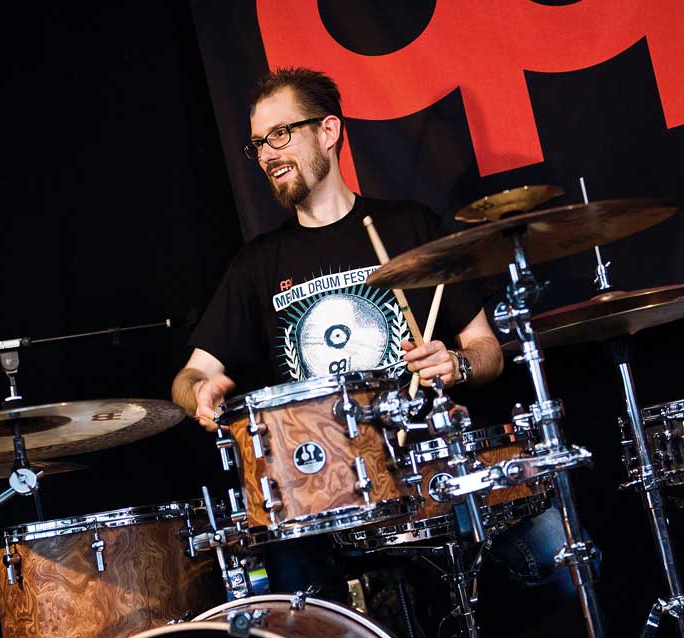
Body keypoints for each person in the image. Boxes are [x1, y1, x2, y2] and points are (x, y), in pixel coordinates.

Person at [172, 67, 585, 632]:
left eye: (280, 135)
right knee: (290, 611)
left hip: (427, 470)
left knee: (564, 563)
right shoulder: (256, 265)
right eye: (258, 144)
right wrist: (200, 392)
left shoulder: (407, 226)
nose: (267, 154)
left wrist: (457, 364)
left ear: (328, 131)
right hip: (324, 494)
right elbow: (190, 374)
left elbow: (486, 347)